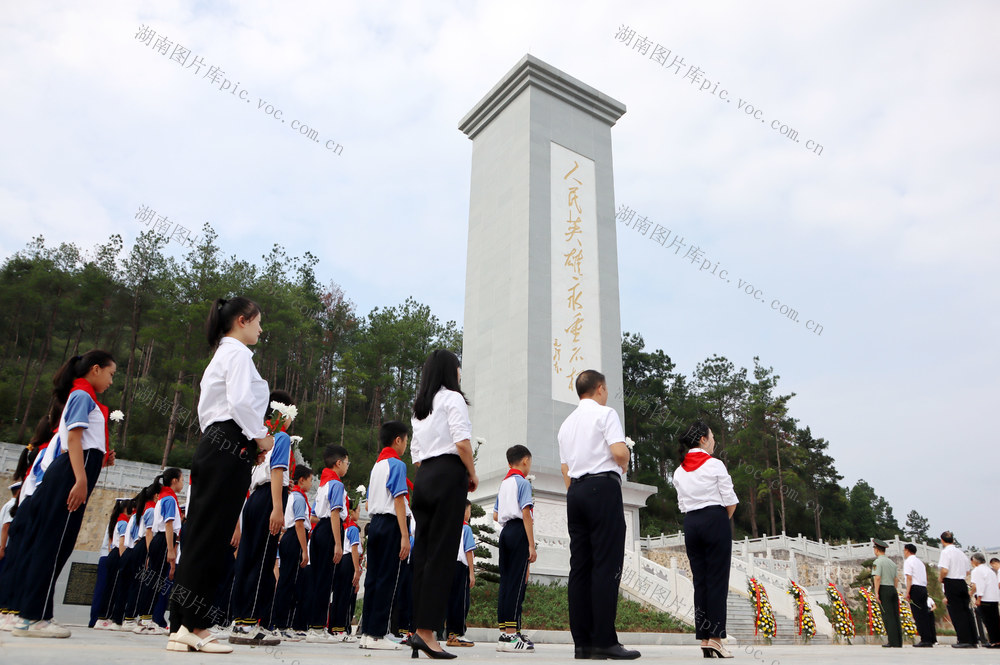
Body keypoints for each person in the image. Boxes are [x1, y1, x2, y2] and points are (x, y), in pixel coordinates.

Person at [167, 297, 274, 654]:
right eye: (258, 322)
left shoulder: (223, 354)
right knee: (212, 538)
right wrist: (261, 437)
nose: (261, 329)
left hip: (216, 443)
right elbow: (241, 402)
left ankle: (181, 625)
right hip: (229, 443)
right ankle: (195, 625)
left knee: (201, 535)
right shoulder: (239, 354)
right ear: (242, 320)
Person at [11, 351, 117, 638]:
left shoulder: (85, 396)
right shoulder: (82, 395)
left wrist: (100, 462)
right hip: (70, 475)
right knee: (54, 544)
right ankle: (33, 617)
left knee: (59, 544)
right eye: (110, 374)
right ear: (96, 369)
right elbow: (73, 439)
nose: (111, 381)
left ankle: (36, 614)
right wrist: (80, 479)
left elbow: (85, 442)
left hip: (75, 471)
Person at [558, 369, 639, 661]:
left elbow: (565, 469)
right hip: (602, 488)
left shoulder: (566, 425)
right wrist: (625, 461)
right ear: (600, 388)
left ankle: (583, 644)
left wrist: (576, 492)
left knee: (580, 567)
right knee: (606, 564)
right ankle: (604, 640)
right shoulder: (605, 414)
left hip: (576, 493)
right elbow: (618, 452)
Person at [409, 349, 478, 660]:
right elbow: (462, 442)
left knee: (423, 555)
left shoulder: (420, 407)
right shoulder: (453, 398)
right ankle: (427, 633)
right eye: (458, 367)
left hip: (424, 477)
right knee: (441, 556)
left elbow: (416, 453)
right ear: (451, 371)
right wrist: (471, 474)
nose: (460, 373)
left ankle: (416, 629)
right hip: (448, 474)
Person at [229, 392, 295, 646]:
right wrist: (277, 508)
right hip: (269, 498)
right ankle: (249, 623)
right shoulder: (281, 437)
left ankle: (240, 618)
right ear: (283, 413)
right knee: (263, 560)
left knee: (248, 558)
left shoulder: (259, 437)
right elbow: (276, 470)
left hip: (255, 499)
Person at [673, 420, 737, 659]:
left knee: (700, 582)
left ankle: (704, 638)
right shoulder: (715, 464)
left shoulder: (679, 471)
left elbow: (682, 505)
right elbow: (730, 500)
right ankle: (717, 639)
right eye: (712, 436)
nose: (714, 441)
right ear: (703, 439)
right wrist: (719, 521)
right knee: (717, 581)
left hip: (691, 523)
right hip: (714, 519)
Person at [360, 421, 410, 650]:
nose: (406, 445)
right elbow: (399, 499)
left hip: (375, 523)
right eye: (406, 440)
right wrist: (404, 535)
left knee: (373, 579)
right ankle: (378, 633)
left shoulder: (377, 466)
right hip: (391, 524)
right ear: (398, 440)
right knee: (388, 579)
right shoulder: (396, 464)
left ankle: (368, 632)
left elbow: (369, 501)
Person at [304, 444, 349, 643]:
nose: (347, 466)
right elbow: (335, 513)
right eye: (347, 462)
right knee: (325, 580)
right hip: (330, 530)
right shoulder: (336, 484)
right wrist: (338, 543)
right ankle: (317, 628)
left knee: (317, 579)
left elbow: (314, 515)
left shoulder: (323, 484)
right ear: (338, 463)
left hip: (319, 530)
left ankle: (313, 625)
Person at [493, 445, 536, 652]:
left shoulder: (504, 484)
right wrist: (531, 545)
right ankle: (512, 636)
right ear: (525, 461)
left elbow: (496, 515)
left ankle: (505, 633)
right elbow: (526, 514)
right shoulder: (523, 482)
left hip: (505, 532)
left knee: (506, 582)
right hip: (519, 531)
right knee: (517, 583)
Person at [135, 468, 183, 634]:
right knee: (156, 581)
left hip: (160, 540)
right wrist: (170, 550)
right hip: (163, 540)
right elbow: (169, 525)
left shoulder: (164, 497)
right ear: (174, 481)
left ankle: (145, 618)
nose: (182, 484)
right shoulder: (169, 498)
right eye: (182, 480)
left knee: (154, 580)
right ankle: (147, 621)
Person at [272, 464, 313, 641]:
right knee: (289, 583)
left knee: (288, 581)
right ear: (301, 480)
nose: (311, 483)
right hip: (295, 539)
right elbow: (299, 524)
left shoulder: (293, 496)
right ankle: (281, 624)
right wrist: (304, 550)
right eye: (310, 480)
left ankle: (282, 623)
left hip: (290, 538)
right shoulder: (298, 498)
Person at [93, 498, 129, 630]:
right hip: (118, 554)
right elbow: (122, 543)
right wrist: (124, 559)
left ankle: (103, 617)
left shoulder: (117, 520)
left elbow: (111, 543)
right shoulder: (123, 522)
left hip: (113, 554)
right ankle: (104, 618)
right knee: (113, 589)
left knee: (110, 588)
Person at [938, 530, 977, 648]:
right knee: (966, 611)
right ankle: (973, 639)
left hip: (951, 582)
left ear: (942, 540)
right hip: (961, 582)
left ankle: (963, 639)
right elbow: (967, 571)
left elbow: (945, 570)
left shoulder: (945, 552)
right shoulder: (960, 553)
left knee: (957, 612)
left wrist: (941, 578)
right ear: (953, 540)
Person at [445, 500, 476, 648]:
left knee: (451, 602)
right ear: (464, 511)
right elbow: (468, 551)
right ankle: (459, 634)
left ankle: (451, 634)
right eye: (469, 510)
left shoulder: (448, 527)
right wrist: (471, 572)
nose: (469, 514)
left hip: (448, 567)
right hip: (461, 567)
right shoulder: (466, 528)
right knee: (462, 602)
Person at [330, 503, 363, 641]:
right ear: (352, 512)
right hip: (349, 561)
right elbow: (354, 550)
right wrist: (356, 569)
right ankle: (343, 629)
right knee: (347, 596)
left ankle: (334, 628)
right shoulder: (353, 529)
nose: (359, 514)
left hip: (340, 562)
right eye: (358, 511)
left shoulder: (341, 527)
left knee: (338, 595)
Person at [871, 539, 902, 648]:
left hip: (883, 589)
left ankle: (892, 641)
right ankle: (898, 641)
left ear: (877, 550)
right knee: (895, 615)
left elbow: (877, 577)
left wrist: (876, 593)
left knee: (888, 616)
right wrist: (894, 589)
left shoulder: (877, 562)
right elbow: (896, 579)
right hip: (892, 589)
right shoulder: (892, 563)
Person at [902, 544, 935, 647]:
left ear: (907, 550)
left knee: (918, 615)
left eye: (904, 550)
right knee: (924, 614)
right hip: (923, 588)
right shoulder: (920, 562)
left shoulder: (908, 561)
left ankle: (924, 639)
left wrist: (907, 592)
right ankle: (929, 638)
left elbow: (909, 578)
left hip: (915, 588)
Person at [970, 552, 1000, 647]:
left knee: (988, 621)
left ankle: (993, 641)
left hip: (984, 599)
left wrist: (977, 597)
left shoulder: (977, 570)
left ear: (975, 561)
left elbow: (978, 586)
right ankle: (997, 640)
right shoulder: (989, 570)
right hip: (993, 598)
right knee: (995, 621)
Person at [0, 481, 21, 578]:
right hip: (5, 547)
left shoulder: (8, 504)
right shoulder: (13, 505)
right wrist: (2, 548)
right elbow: (6, 526)